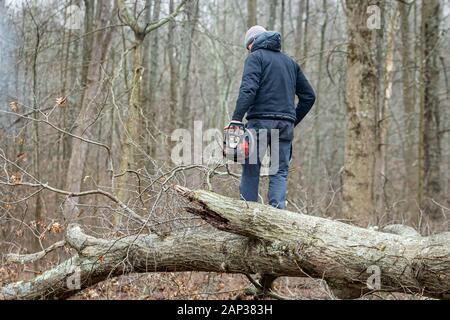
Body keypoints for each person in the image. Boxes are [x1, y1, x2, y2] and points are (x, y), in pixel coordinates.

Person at [231, 25, 316, 209]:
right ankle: (278, 216)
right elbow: (309, 96)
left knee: (251, 168)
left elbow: (248, 89)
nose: (249, 51)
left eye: (248, 47)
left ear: (252, 42)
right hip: (284, 126)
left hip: (260, 122)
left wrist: (236, 118)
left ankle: (247, 214)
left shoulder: (255, 57)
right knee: (279, 171)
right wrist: (292, 119)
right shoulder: (290, 63)